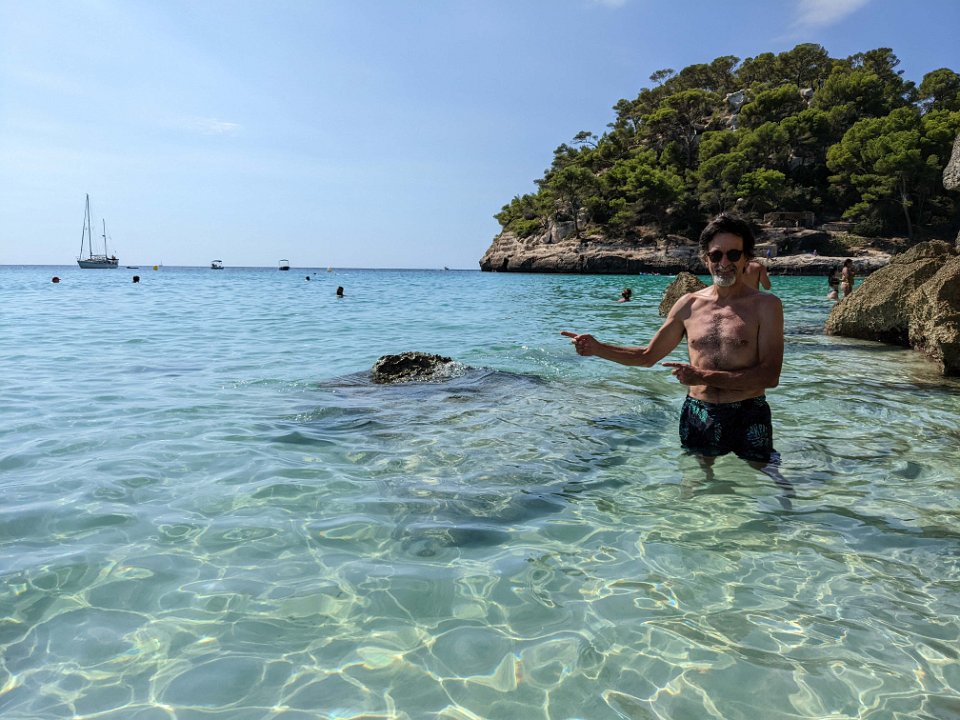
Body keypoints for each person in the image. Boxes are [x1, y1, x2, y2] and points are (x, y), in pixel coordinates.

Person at [561, 213, 787, 484]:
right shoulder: (688, 305)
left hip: (749, 412)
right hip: (698, 412)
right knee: (693, 488)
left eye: (733, 254)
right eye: (716, 255)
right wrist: (598, 348)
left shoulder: (766, 306)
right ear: (705, 258)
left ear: (746, 258)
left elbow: (769, 376)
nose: (724, 263)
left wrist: (702, 376)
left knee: (772, 485)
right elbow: (647, 357)